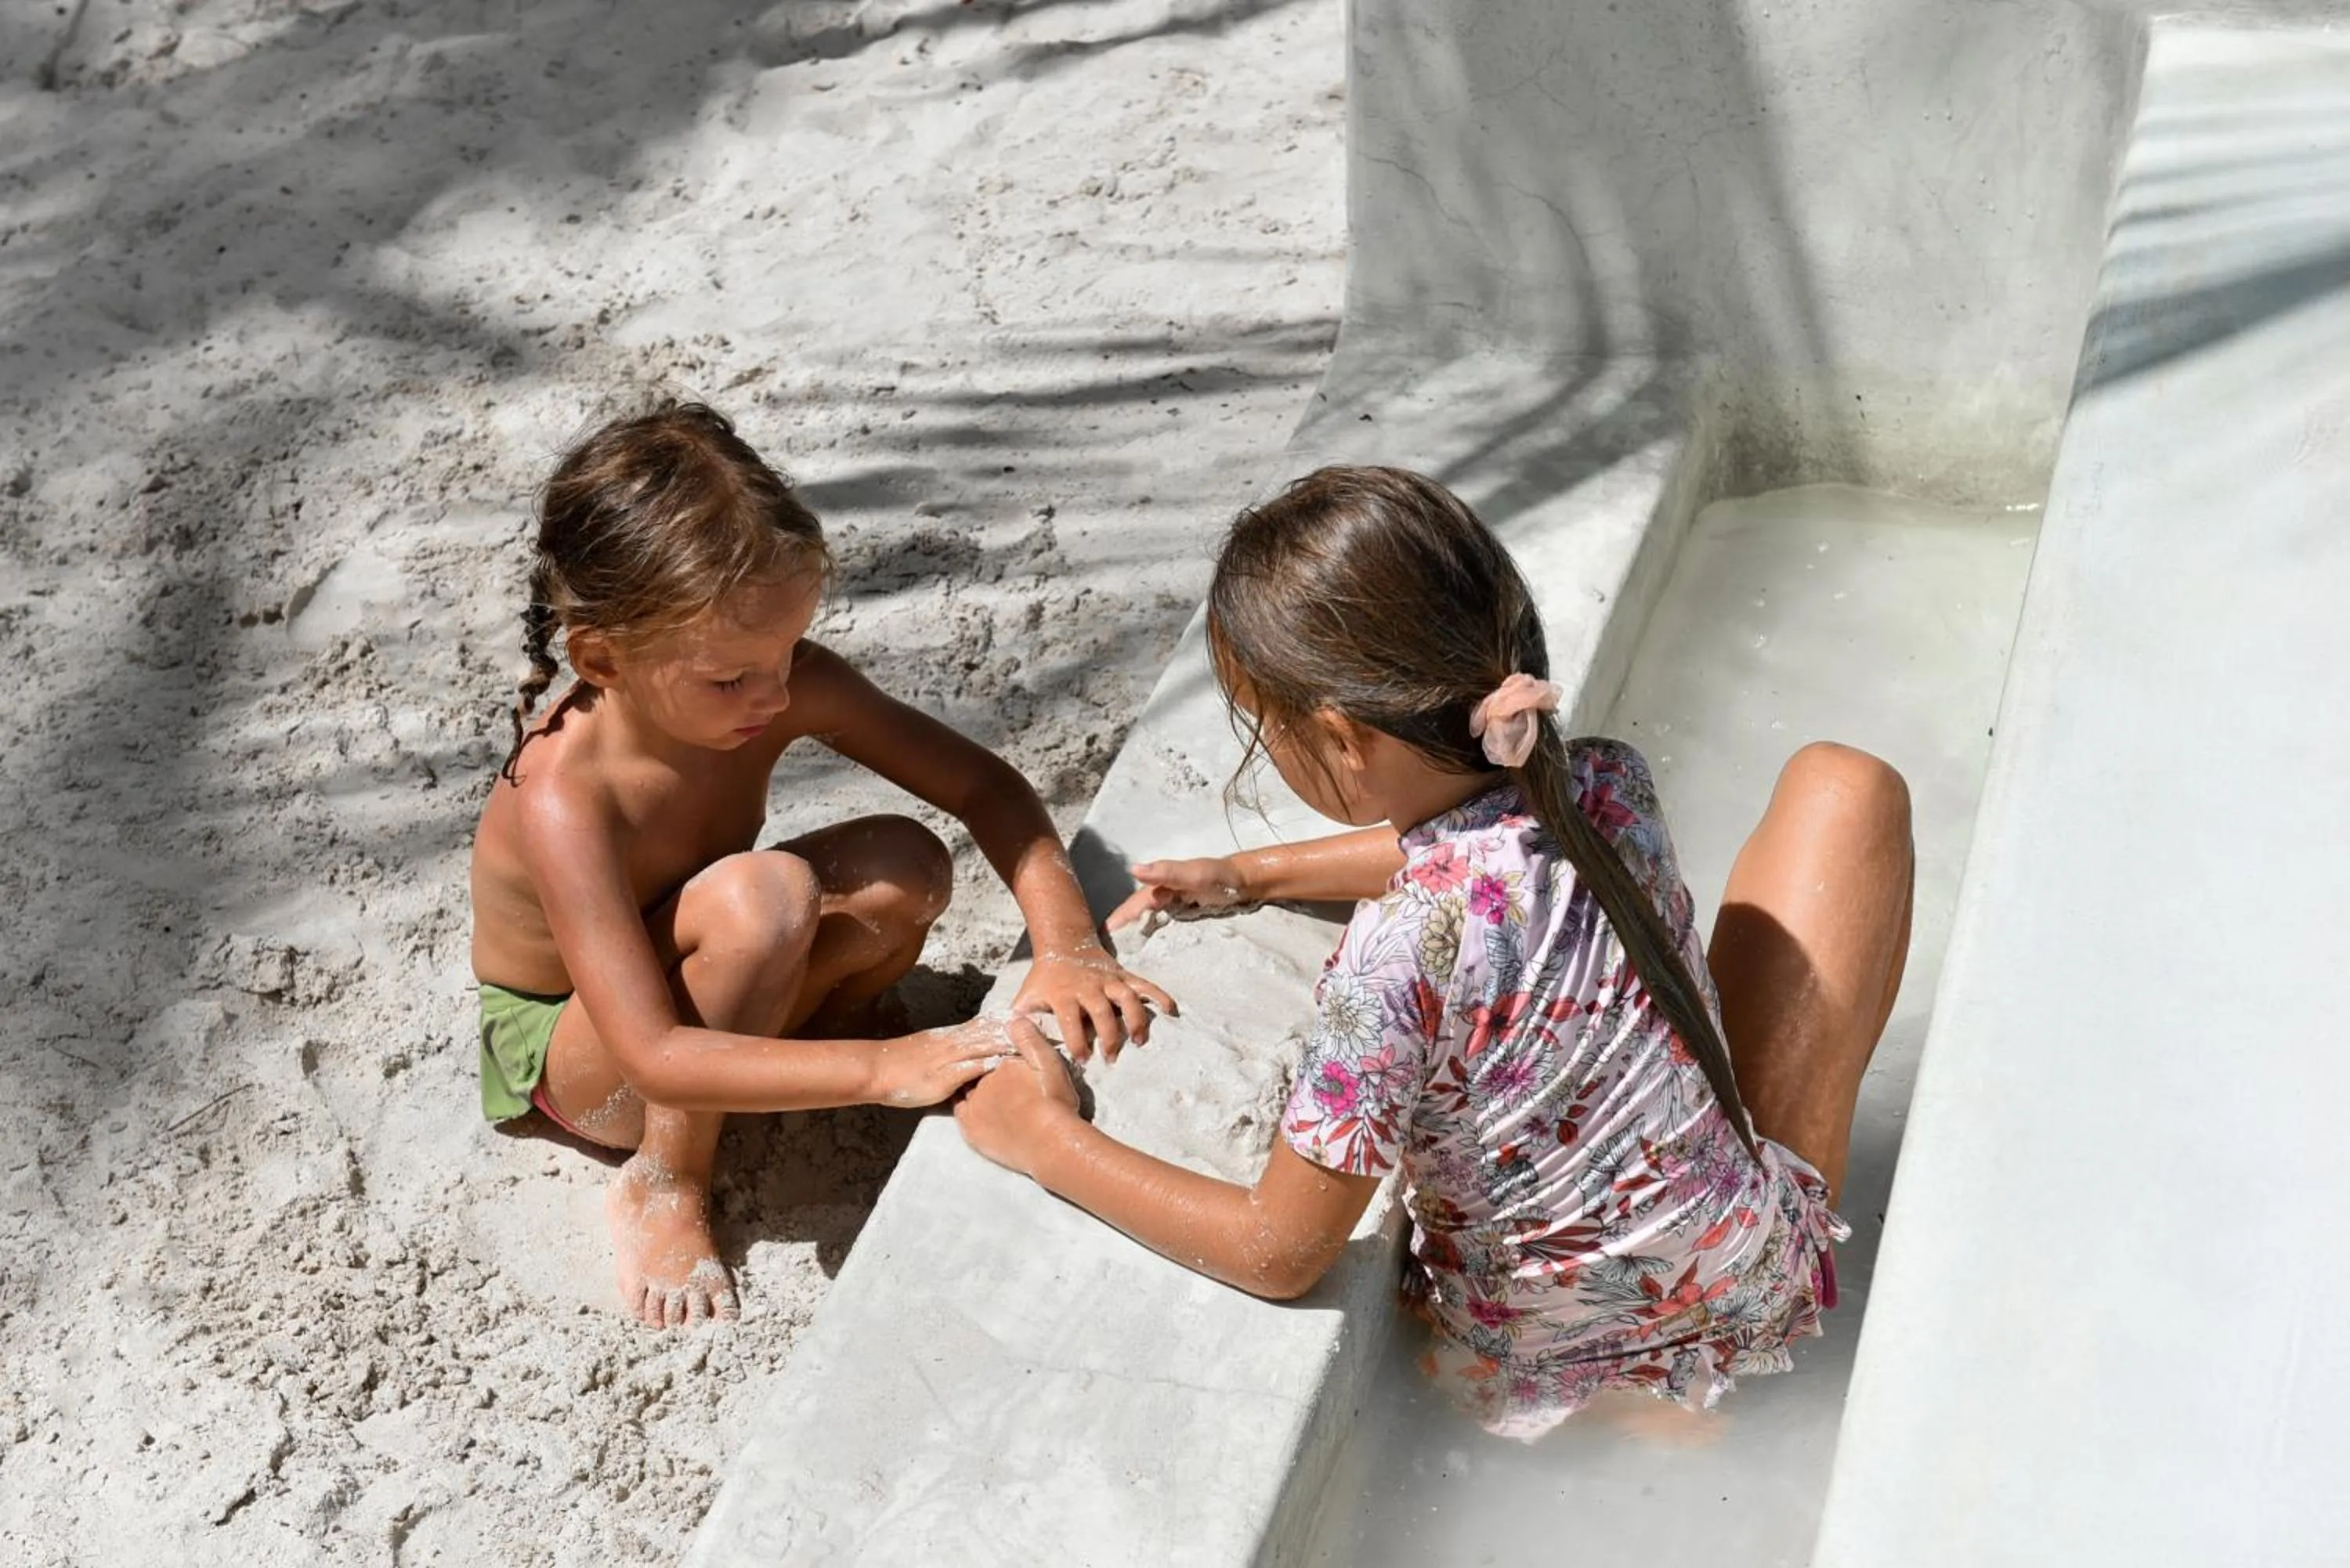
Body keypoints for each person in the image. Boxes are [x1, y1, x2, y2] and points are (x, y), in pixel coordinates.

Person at [954, 464, 1914, 1437]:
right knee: (1846, 785)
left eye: (1264, 726)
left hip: (1544, 1370)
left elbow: (1279, 1250)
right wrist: (1256, 873)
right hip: (1758, 1279)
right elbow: (1471, 852)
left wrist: (1042, 1138)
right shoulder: (1601, 787)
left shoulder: (1390, 964)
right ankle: (1701, 1339)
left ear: (1339, 736)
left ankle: (1633, 1413)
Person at [469, 401, 1172, 1329]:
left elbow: (983, 787)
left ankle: (804, 1061)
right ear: (601, 656)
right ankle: (668, 1178)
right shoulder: (565, 796)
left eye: (787, 652)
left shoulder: (778, 681)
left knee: (903, 864)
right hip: (585, 1063)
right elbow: (654, 1054)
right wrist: (884, 1068)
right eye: (732, 678)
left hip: (693, 984)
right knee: (762, 899)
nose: (776, 693)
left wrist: (1068, 941)